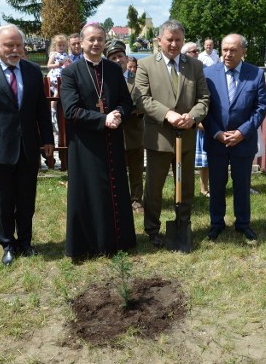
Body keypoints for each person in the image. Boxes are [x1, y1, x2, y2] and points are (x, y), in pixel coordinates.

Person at [0, 24, 54, 266]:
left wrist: (47, 138)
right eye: (9, 45)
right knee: (3, 201)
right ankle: (7, 243)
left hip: (28, 147)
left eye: (18, 45)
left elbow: (41, 109)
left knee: (27, 199)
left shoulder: (33, 71)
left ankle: (25, 242)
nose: (14, 50)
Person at [60, 23, 136, 259]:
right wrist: (103, 119)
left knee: (115, 189)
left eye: (100, 39)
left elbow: (126, 101)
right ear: (81, 42)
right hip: (85, 143)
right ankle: (89, 245)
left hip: (112, 138)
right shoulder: (71, 72)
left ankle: (118, 241)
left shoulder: (113, 69)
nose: (96, 44)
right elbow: (70, 111)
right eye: (91, 39)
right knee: (90, 191)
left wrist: (119, 114)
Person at [133, 19, 210, 248]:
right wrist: (168, 114)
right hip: (159, 138)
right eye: (169, 39)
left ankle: (183, 223)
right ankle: (152, 229)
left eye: (178, 40)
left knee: (185, 184)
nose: (174, 44)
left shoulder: (194, 66)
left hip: (186, 136)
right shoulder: (146, 65)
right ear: (159, 41)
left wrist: (192, 116)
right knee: (154, 187)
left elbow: (204, 99)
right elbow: (141, 99)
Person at [202, 34, 266, 242]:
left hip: (243, 141)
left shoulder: (255, 74)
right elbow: (205, 108)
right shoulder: (208, 73)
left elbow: (261, 107)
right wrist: (216, 133)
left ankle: (243, 224)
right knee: (217, 184)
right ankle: (216, 224)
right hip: (216, 140)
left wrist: (242, 132)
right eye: (225, 49)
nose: (228, 54)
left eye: (233, 50)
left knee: (241, 184)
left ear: (243, 52)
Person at [105, 41, 145, 213]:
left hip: (134, 130)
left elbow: (145, 102)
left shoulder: (138, 79)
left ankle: (136, 200)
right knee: (115, 169)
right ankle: (117, 199)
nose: (117, 60)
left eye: (120, 56)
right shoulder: (104, 81)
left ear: (126, 57)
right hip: (112, 133)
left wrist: (131, 110)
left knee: (136, 169)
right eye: (113, 57)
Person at [181, 42, 209, 197]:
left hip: (202, 119)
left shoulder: (202, 69)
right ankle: (189, 192)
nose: (197, 53)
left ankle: (204, 188)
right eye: (193, 51)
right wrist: (195, 121)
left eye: (198, 51)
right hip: (188, 123)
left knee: (206, 160)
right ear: (185, 54)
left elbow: (205, 97)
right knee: (191, 161)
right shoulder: (182, 72)